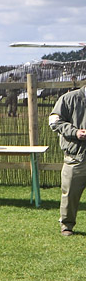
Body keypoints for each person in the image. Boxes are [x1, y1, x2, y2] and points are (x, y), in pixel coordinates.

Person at [49, 85, 86, 236]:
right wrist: (75, 132)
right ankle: (66, 226)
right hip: (75, 157)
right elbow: (54, 122)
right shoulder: (68, 98)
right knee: (70, 193)